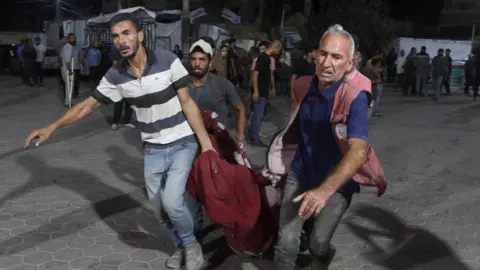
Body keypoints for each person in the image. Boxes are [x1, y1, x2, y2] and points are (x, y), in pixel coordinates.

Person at [24, 13, 215, 270]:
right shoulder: (116, 75)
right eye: (115, 36)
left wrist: (206, 144)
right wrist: (52, 127)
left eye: (126, 33)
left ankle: (192, 246)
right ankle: (180, 246)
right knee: (158, 209)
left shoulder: (167, 60)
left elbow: (188, 103)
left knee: (172, 201)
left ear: (140, 35)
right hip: (152, 148)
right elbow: (87, 106)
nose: (121, 40)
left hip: (182, 141)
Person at [273, 24, 370, 270]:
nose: (327, 62)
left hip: (336, 183)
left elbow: (359, 151)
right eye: (323, 53)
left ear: (349, 64)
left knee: (318, 244)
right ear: (315, 55)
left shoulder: (355, 97)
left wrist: (325, 191)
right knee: (286, 241)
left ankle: (324, 258)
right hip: (301, 172)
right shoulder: (304, 85)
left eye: (336, 57)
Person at [186, 39, 247, 232]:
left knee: (219, 187)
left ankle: (227, 224)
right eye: (194, 59)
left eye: (202, 59)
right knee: (190, 188)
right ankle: (194, 231)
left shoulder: (223, 84)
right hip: (187, 143)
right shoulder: (181, 85)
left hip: (216, 145)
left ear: (210, 63)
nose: (197, 63)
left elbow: (240, 109)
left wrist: (240, 139)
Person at [249, 40, 282, 147]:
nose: (278, 53)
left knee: (256, 115)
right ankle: (255, 138)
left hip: (262, 91)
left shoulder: (265, 58)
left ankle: (252, 135)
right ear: (275, 48)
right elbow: (255, 74)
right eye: (279, 51)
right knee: (258, 116)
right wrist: (256, 92)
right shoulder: (264, 58)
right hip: (260, 92)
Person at [60, 33, 82, 106]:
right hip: (67, 67)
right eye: (71, 38)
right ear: (68, 39)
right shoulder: (69, 46)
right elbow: (67, 60)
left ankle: (67, 101)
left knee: (68, 85)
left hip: (65, 67)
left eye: (74, 38)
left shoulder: (66, 46)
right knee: (69, 85)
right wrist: (69, 70)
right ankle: (67, 102)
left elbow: (61, 57)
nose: (73, 39)